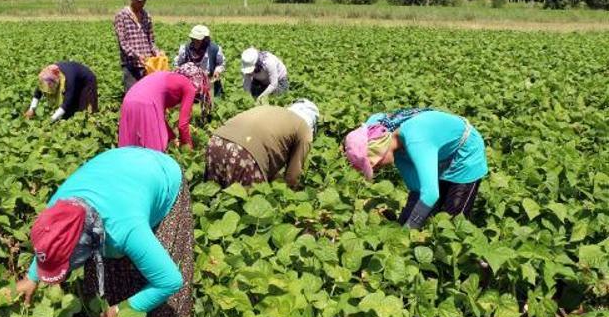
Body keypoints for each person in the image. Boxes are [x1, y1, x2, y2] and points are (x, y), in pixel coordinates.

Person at [4, 147, 193, 317]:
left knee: (162, 300)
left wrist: (124, 309)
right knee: (102, 287)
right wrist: (32, 277)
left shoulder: (125, 228)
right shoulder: (57, 210)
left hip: (159, 175)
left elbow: (170, 281)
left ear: (84, 243)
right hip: (117, 170)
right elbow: (51, 241)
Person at [343, 108, 488, 229]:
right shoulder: (376, 130)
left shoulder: (417, 141)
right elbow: (417, 189)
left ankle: (463, 258)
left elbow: (430, 194)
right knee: (420, 198)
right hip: (433, 147)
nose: (377, 169)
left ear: (380, 148)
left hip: (465, 153)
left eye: (376, 164)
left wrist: (409, 229)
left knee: (453, 217)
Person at [205, 99, 319, 189]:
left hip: (216, 142)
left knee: (217, 197)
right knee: (247, 208)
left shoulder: (274, 110)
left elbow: (268, 147)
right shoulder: (304, 128)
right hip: (243, 154)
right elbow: (293, 176)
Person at [118, 63, 211, 152]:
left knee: (132, 146)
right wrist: (187, 148)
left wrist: (172, 138)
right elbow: (182, 125)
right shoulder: (189, 86)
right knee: (153, 151)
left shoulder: (168, 76)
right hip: (146, 105)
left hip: (128, 100)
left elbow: (160, 118)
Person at [113, 0, 160, 93]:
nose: (142, 4)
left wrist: (157, 52)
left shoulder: (147, 15)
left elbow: (151, 40)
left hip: (147, 64)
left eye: (144, 1)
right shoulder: (122, 16)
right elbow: (123, 43)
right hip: (131, 64)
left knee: (148, 94)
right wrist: (137, 56)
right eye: (139, 1)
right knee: (132, 94)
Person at [24, 62, 98, 123]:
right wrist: (31, 110)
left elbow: (67, 103)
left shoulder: (68, 81)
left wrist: (50, 120)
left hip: (87, 81)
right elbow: (38, 93)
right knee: (69, 113)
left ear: (55, 82)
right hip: (76, 78)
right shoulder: (47, 76)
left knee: (86, 111)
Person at [173, 25, 226, 97]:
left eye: (198, 40)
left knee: (211, 103)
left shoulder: (214, 49)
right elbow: (178, 64)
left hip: (209, 81)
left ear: (205, 39)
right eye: (194, 39)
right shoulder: (185, 49)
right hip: (189, 83)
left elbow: (221, 63)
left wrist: (217, 71)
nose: (196, 41)